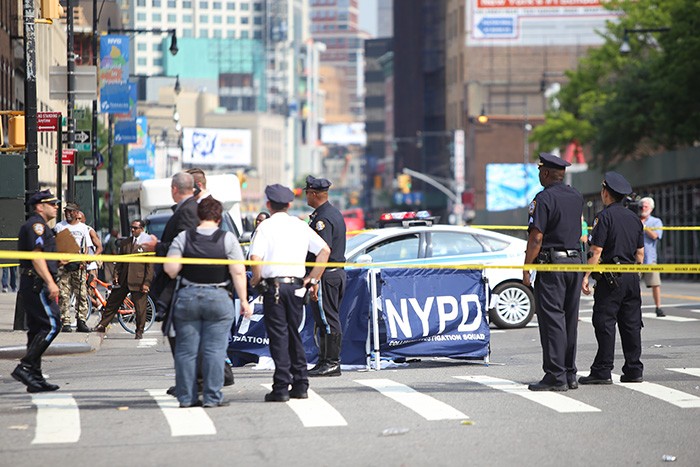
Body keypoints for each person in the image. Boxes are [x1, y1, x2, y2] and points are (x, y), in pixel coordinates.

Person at [164, 197, 251, 408]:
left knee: (186, 350)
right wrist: (244, 301)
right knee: (215, 350)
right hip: (218, 296)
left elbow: (170, 269)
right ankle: (212, 397)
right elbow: (238, 271)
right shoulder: (227, 239)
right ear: (219, 218)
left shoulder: (184, 237)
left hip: (188, 297)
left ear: (199, 216)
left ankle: (186, 397)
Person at [249, 184, 330, 402]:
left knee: (278, 337)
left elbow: (255, 259)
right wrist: (313, 278)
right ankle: (301, 384)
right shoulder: (299, 225)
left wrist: (256, 280)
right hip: (296, 286)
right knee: (294, 334)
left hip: (274, 287)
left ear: (268, 204)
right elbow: (324, 250)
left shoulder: (265, 227)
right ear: (289, 204)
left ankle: (281, 386)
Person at [523, 153, 584, 392]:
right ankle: (569, 374)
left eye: (540, 171)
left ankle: (555, 376)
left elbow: (536, 237)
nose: (539, 175)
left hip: (552, 266)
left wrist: (527, 267)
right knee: (569, 320)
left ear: (546, 173)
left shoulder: (543, 199)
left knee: (552, 321)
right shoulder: (576, 196)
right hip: (575, 264)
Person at [579, 172, 645, 385]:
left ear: (606, 193)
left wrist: (586, 276)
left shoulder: (604, 217)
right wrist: (635, 275)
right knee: (632, 323)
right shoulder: (635, 219)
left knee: (605, 322)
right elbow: (640, 254)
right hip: (631, 277)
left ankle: (602, 370)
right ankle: (634, 369)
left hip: (610, 278)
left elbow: (596, 250)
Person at [141, 172, 199, 394]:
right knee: (178, 333)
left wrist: (157, 246)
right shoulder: (188, 208)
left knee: (180, 335)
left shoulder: (187, 211)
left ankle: (192, 382)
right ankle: (190, 382)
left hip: (181, 282)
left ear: (174, 189)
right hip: (181, 282)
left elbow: (184, 247)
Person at [11, 190, 62, 393]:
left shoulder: (42, 227)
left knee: (36, 330)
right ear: (40, 206)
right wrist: (50, 282)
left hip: (34, 282)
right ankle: (26, 367)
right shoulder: (37, 225)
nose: (56, 206)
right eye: (52, 203)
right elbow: (36, 257)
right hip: (37, 283)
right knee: (52, 325)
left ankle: (35, 376)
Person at [304, 175, 347, 377]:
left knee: (328, 319)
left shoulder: (323, 219)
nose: (305, 196)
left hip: (326, 274)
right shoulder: (330, 213)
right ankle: (324, 361)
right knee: (325, 319)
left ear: (313, 194)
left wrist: (314, 279)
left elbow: (324, 250)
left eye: (307, 192)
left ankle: (331, 362)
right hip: (332, 274)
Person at [93, 219, 154, 339]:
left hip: (138, 280)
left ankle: (139, 331)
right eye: (131, 227)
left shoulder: (147, 244)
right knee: (112, 303)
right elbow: (120, 261)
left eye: (135, 228)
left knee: (140, 308)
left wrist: (146, 283)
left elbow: (150, 266)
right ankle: (102, 325)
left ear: (141, 229)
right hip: (123, 279)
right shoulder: (125, 243)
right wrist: (116, 275)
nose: (132, 230)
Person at [54, 203, 93, 333]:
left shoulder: (83, 228)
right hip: (64, 265)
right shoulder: (59, 226)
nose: (68, 214)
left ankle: (81, 321)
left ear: (76, 213)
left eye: (71, 211)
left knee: (81, 294)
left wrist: (84, 259)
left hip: (79, 265)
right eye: (66, 211)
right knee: (64, 294)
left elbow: (86, 246)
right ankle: (65, 321)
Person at [639, 196, 665, 317]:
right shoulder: (634, 220)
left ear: (651, 208)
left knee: (655, 284)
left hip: (650, 258)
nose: (643, 208)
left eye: (645, 206)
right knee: (634, 285)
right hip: (636, 259)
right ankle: (635, 308)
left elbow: (655, 236)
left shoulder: (656, 221)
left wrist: (644, 227)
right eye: (641, 206)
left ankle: (658, 307)